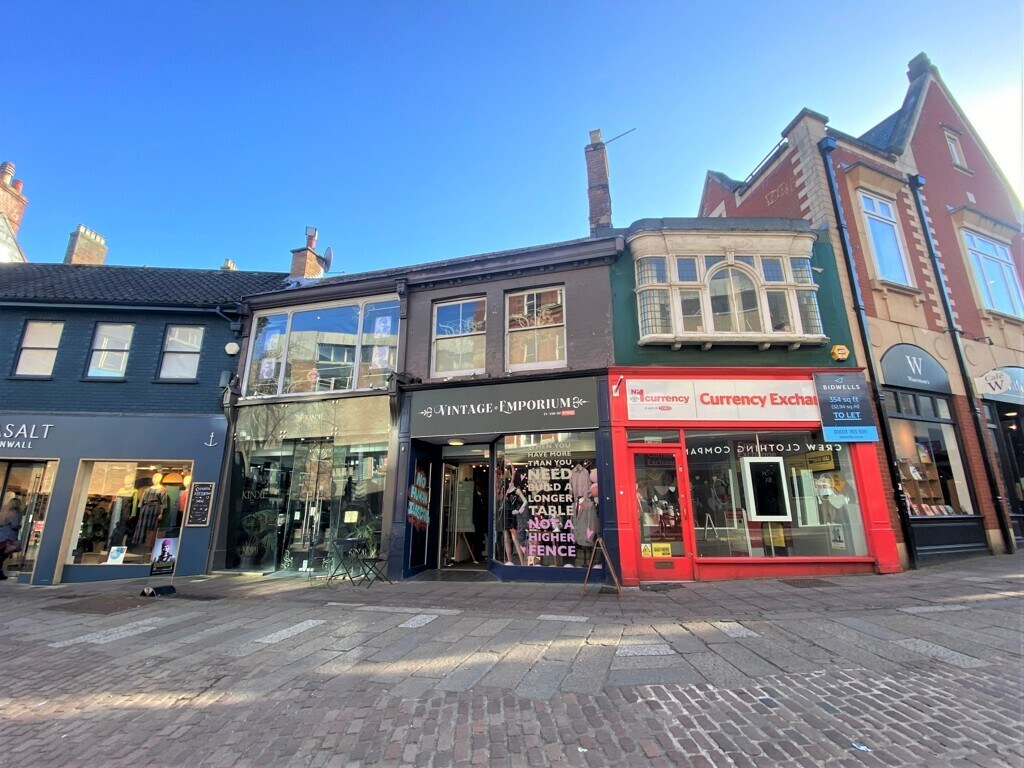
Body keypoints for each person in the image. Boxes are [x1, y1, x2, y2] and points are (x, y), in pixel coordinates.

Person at [0, 497, 24, 581]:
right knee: (3, 555)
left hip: (1, 535)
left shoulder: (4, 513)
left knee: (1, 554)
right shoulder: (16, 513)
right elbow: (15, 525)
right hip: (9, 536)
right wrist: (20, 526)